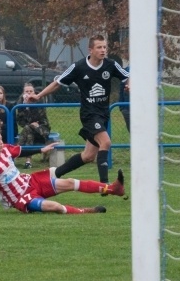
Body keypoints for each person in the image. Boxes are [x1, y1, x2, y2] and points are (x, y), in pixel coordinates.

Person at [28, 35, 130, 184]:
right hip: (89, 115)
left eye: (104, 47)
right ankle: (105, 185)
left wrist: (130, 84)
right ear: (90, 50)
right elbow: (58, 83)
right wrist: (39, 96)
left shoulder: (111, 65)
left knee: (88, 156)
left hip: (103, 114)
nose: (103, 50)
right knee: (106, 142)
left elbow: (128, 76)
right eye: (99, 47)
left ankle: (55, 173)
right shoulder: (79, 67)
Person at [0, 127, 125, 215]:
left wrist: (41, 149)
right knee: (54, 206)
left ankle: (113, 189)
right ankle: (85, 211)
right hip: (22, 198)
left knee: (69, 182)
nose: (1, 141)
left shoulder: (6, 149)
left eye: (0, 138)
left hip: (32, 182)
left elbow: (21, 151)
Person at [15, 83, 51, 169]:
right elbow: (20, 121)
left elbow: (39, 118)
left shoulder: (39, 100)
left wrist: (30, 105)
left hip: (41, 129)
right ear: (23, 93)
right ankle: (28, 162)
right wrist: (25, 105)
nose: (29, 93)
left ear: (34, 92)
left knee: (28, 129)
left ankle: (14, 153)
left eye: (31, 91)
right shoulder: (20, 103)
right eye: (26, 91)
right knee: (29, 132)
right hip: (29, 130)